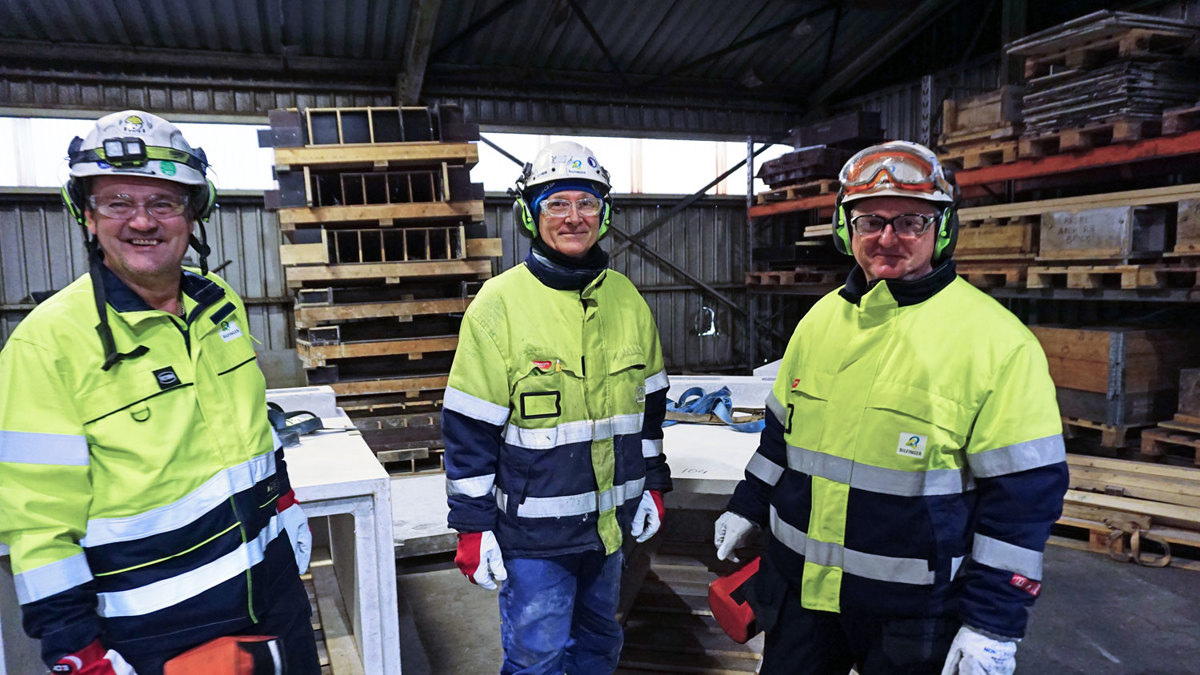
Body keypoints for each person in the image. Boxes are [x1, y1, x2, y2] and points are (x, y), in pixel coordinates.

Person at [713, 140, 1068, 675]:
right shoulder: (820, 321)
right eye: (870, 220)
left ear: (941, 230)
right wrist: (747, 504)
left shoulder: (996, 342)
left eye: (910, 222)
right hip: (801, 593)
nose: (887, 238)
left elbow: (1023, 498)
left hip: (915, 614)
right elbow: (780, 437)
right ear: (845, 227)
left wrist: (993, 623)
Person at [0, 110, 319, 675]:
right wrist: (77, 650)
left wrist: (285, 502)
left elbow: (252, 431)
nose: (142, 221)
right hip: (156, 632)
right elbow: (38, 527)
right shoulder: (46, 346)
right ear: (87, 217)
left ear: (195, 214)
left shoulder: (217, 303)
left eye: (164, 203)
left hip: (272, 597)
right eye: (118, 202)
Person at [442, 140, 672, 675]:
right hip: (534, 538)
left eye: (587, 203)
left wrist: (655, 485)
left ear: (605, 212)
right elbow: (468, 430)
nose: (574, 218)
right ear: (530, 214)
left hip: (608, 529)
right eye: (556, 204)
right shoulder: (498, 306)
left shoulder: (628, 300)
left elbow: (650, 409)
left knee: (599, 642)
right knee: (536, 655)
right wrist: (472, 527)